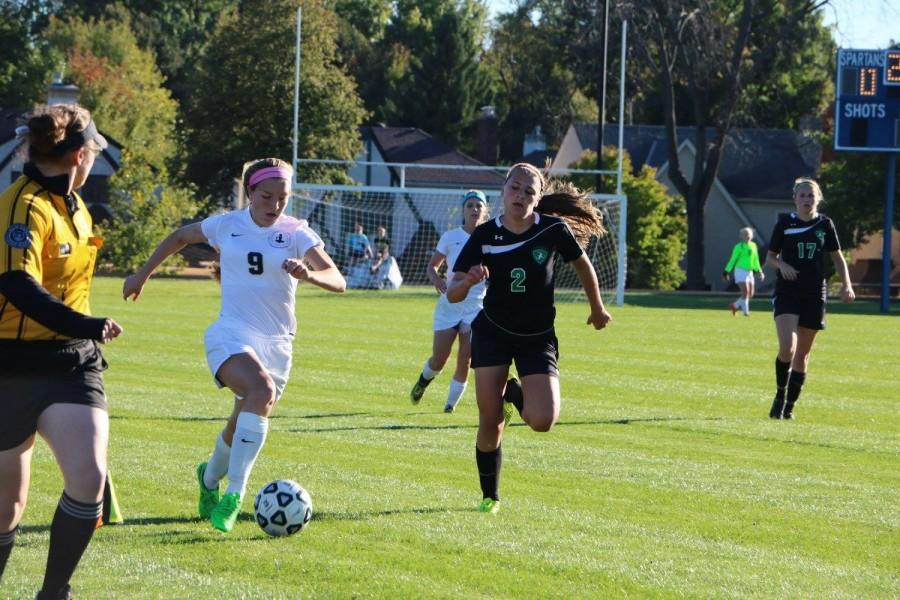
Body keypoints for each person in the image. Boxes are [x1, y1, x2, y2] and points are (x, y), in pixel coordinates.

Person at [122, 158, 346, 533]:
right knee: (261, 389)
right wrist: (141, 274)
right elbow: (180, 237)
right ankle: (235, 496)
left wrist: (310, 275)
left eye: (283, 198)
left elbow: (337, 278)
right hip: (231, 333)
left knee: (242, 419)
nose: (275, 205)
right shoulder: (227, 224)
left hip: (278, 344)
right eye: (267, 196)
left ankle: (208, 480)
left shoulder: (296, 232)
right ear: (250, 192)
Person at [0, 104, 123, 599]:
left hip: (72, 362)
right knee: (8, 506)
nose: (95, 161)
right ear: (78, 155)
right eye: (94, 152)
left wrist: (83, 333)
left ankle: (54, 593)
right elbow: (17, 284)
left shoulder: (76, 205)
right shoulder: (20, 205)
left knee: (88, 479)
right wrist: (88, 323)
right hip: (11, 364)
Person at [447, 163, 612, 513]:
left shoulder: (553, 230)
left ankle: (513, 392)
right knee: (489, 419)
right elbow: (452, 293)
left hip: (537, 337)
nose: (520, 196)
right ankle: (489, 496)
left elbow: (583, 266)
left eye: (528, 192)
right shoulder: (485, 235)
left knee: (542, 421)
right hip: (492, 332)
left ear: (537, 199)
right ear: (503, 190)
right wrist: (468, 281)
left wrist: (597, 308)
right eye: (515, 188)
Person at [765, 177, 854, 420]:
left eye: (811, 196)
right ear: (795, 199)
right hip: (788, 292)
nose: (807, 200)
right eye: (802, 195)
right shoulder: (785, 224)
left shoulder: (825, 225)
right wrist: (781, 264)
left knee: (802, 355)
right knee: (787, 347)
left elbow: (837, 257)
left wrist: (846, 284)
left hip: (814, 293)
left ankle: (789, 407)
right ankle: (779, 394)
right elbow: (770, 257)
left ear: (818, 199)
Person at [410, 190, 490, 413]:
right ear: (463, 210)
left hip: (475, 306)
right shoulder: (450, 237)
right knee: (439, 359)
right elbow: (432, 265)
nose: (474, 209)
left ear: (485, 210)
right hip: (450, 304)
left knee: (466, 358)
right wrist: (436, 279)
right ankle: (422, 382)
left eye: (478, 206)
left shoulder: (491, 237)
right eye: (470, 205)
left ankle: (449, 406)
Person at [722, 227, 764, 316]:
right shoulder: (738, 247)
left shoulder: (753, 245)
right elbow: (732, 260)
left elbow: (756, 260)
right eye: (745, 234)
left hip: (750, 271)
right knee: (745, 292)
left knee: (751, 294)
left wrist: (759, 271)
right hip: (740, 270)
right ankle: (746, 312)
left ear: (751, 235)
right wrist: (726, 272)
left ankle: (735, 305)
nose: (747, 236)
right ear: (741, 236)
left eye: (748, 234)